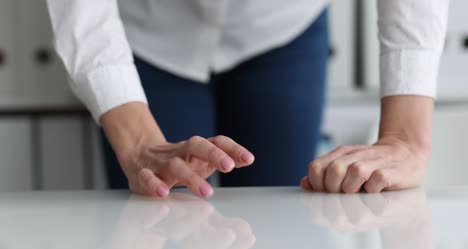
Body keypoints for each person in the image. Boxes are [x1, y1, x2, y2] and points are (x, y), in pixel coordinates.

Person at [46, 0, 449, 198]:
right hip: (150, 31)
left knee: (289, 232)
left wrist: (405, 137)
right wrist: (137, 144)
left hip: (281, 24)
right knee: (161, 219)